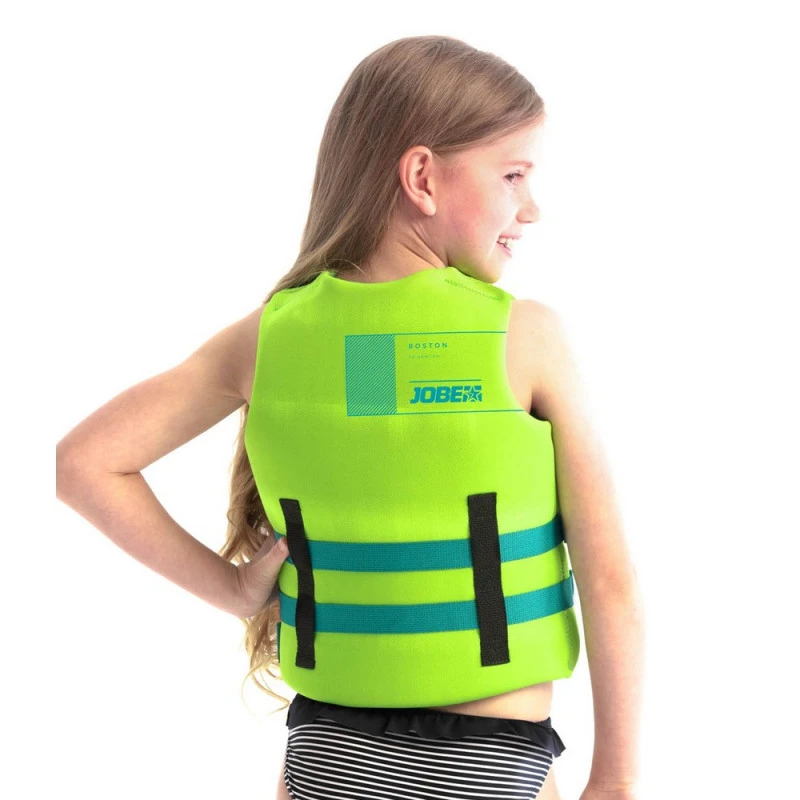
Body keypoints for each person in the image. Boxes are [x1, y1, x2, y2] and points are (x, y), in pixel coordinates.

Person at [56, 35, 644, 800]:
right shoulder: (524, 337)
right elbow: (608, 577)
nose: (531, 207)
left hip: (328, 752)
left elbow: (82, 463)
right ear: (422, 177)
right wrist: (616, 780)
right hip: (488, 759)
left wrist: (233, 590)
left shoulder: (270, 340)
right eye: (513, 175)